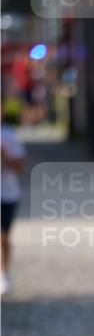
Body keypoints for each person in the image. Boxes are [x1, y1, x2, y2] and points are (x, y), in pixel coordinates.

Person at [1, 99, 26, 296]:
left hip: (7, 192)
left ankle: (4, 274)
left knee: (3, 237)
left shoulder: (8, 135)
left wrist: (4, 157)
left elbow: (19, 167)